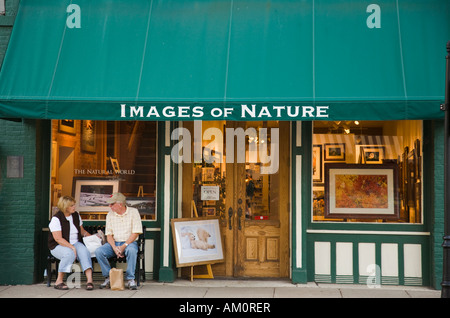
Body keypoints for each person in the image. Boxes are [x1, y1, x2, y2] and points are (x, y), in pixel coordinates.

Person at [95, 192, 143, 290]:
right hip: (114, 243)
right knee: (99, 251)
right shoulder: (110, 215)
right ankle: (109, 277)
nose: (110, 206)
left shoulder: (134, 212)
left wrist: (123, 246)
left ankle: (130, 279)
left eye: (112, 204)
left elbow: (135, 233)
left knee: (132, 250)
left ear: (120, 204)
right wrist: (115, 248)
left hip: (129, 243)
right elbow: (109, 235)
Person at [48, 196, 94, 290]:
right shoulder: (56, 219)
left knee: (85, 252)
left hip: (76, 243)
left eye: (74, 205)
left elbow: (82, 231)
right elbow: (58, 239)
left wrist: (92, 237)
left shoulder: (76, 215)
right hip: (58, 246)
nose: (74, 207)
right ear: (65, 207)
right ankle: (59, 281)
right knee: (69, 254)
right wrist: (72, 248)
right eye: (72, 205)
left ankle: (89, 281)